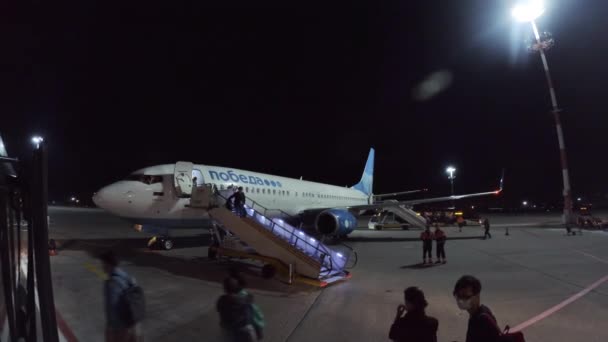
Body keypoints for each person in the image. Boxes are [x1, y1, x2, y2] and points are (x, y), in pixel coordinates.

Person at [99, 251, 143, 342]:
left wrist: (110, 329)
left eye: (103, 264)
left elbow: (112, 308)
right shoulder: (128, 277)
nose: (102, 267)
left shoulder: (111, 283)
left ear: (108, 264)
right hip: (133, 323)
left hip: (121, 329)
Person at [453, 275, 500, 342]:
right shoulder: (476, 314)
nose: (461, 300)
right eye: (458, 296)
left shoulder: (482, 320)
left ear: (477, 296)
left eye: (465, 296)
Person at [217, 276, 258, 342]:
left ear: (225, 288)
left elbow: (219, 310)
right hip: (243, 329)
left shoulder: (221, 300)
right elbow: (250, 298)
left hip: (227, 329)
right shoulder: (242, 299)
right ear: (236, 287)